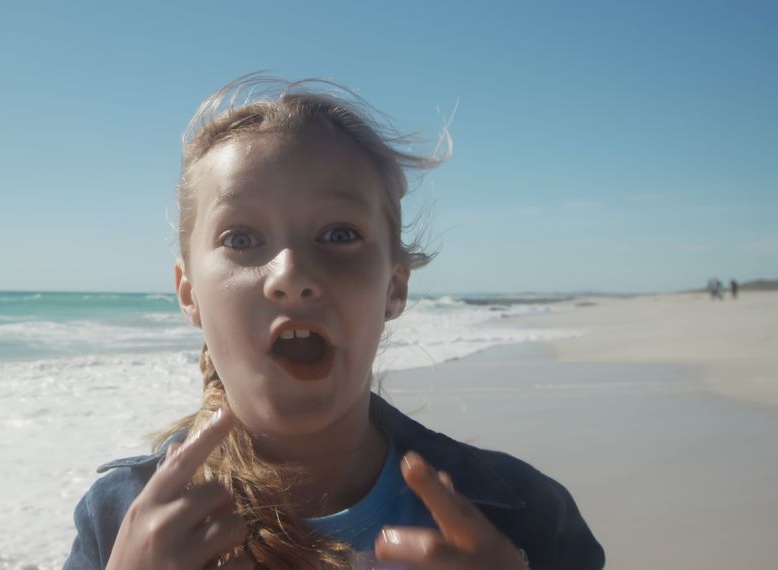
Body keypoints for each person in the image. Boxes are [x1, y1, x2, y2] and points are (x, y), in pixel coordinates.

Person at [63, 75, 604, 569]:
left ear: (395, 285)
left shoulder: (525, 515)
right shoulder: (122, 523)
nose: (292, 274)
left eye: (339, 234)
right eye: (241, 239)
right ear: (189, 293)